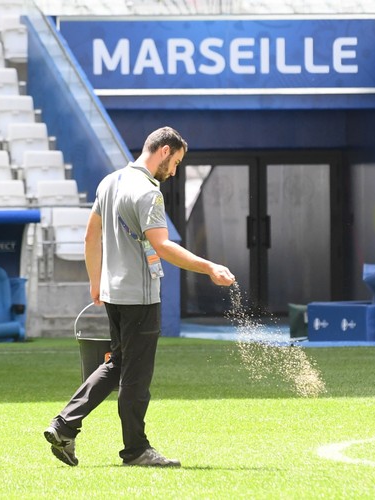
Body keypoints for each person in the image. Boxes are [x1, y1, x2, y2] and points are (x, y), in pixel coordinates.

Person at [44, 126, 235, 468]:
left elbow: (90, 237)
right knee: (136, 377)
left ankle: (64, 425)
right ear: (164, 151)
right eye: (175, 163)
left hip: (114, 293)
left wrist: (96, 282)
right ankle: (135, 450)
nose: (174, 171)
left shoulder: (110, 181)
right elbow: (163, 246)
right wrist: (209, 267)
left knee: (117, 365)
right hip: (140, 297)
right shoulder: (148, 192)